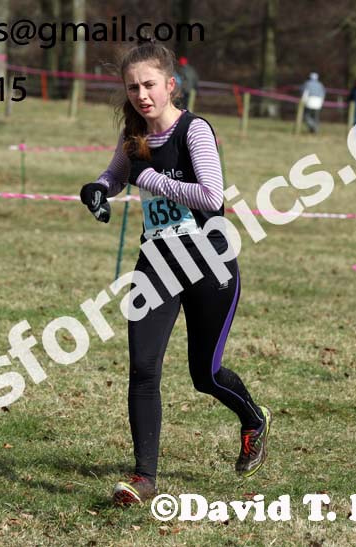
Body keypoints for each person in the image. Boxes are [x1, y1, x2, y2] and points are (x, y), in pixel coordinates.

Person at [79, 39, 271, 505]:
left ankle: (253, 420)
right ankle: (144, 478)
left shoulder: (194, 130)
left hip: (208, 261)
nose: (142, 95)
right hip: (158, 264)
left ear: (170, 85)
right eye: (133, 88)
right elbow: (116, 175)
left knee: (204, 374)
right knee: (143, 369)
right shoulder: (133, 135)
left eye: (149, 85)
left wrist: (152, 180)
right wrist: (98, 189)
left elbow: (212, 197)